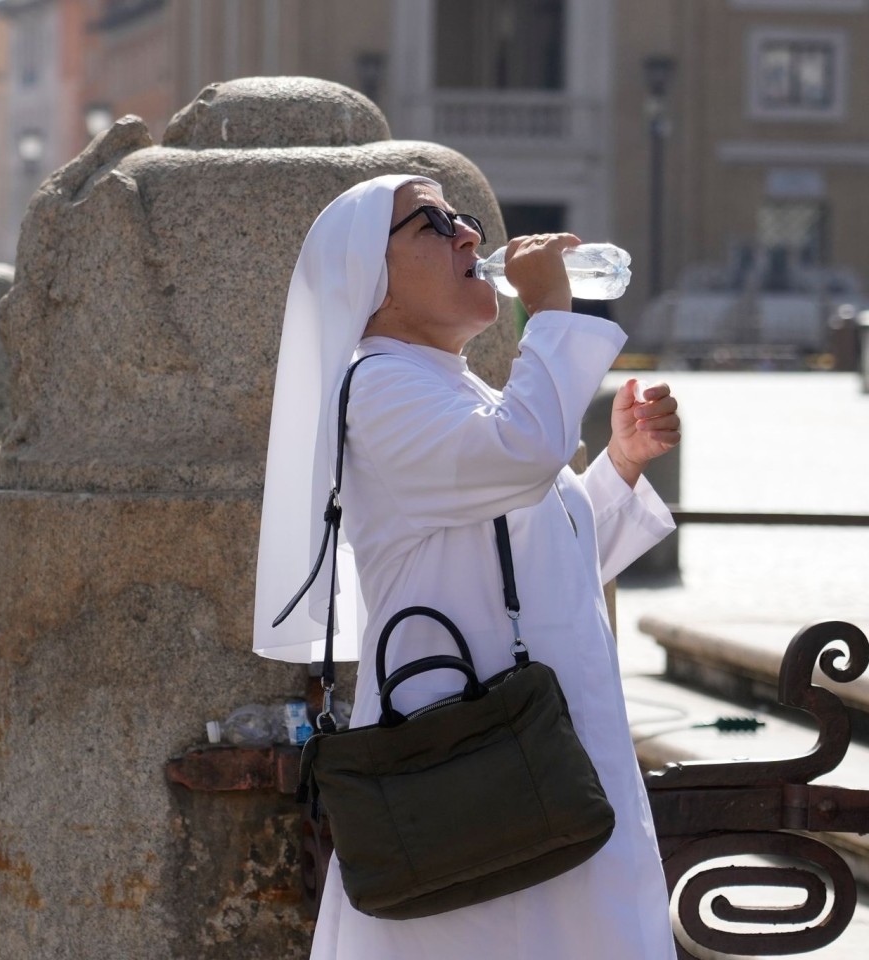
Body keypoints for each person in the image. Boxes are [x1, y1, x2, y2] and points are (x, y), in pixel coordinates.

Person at [253, 173, 682, 959]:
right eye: (431, 223)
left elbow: (540, 560)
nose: (470, 237)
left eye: (464, 218)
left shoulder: (446, 384)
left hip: (531, 762)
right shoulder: (380, 386)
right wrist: (550, 313)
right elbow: (520, 456)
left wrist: (617, 467)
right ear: (369, 281)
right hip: (473, 770)